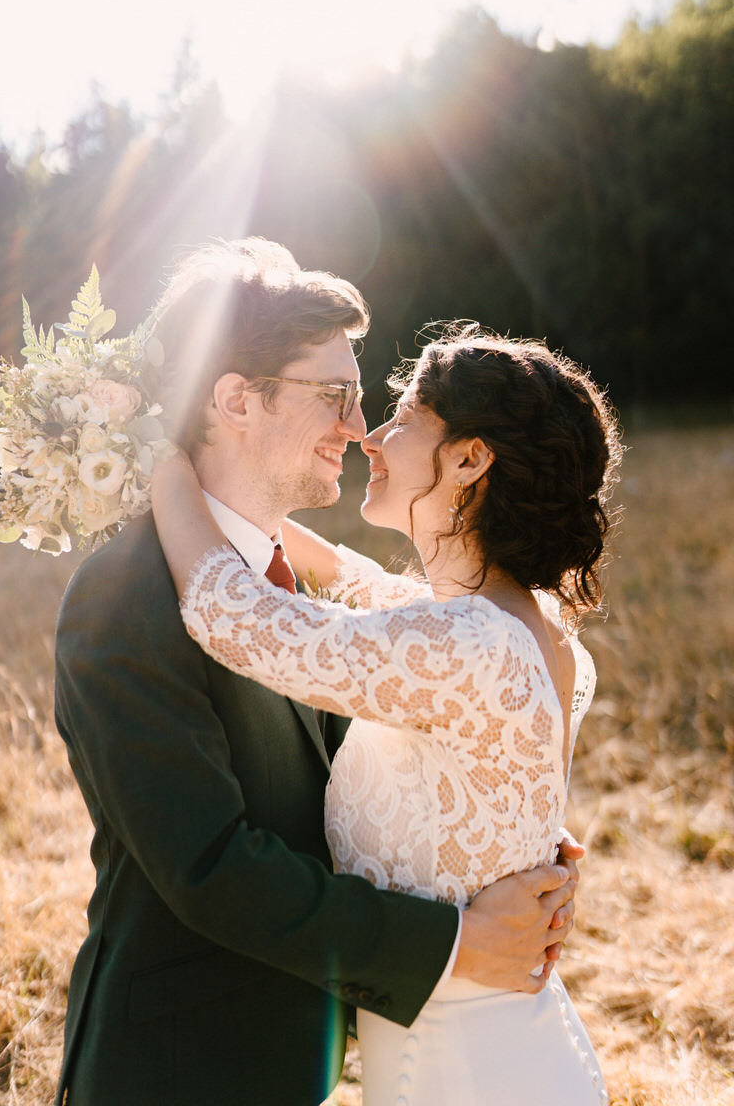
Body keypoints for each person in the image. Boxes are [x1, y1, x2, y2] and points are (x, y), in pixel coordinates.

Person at [54, 239, 580, 1106]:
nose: (358, 425)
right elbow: (210, 867)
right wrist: (458, 939)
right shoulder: (123, 595)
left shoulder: (291, 588)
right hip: (179, 1068)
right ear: (237, 400)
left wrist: (512, 846)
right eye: (336, 395)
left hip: (310, 1058)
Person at [150, 315, 622, 1106]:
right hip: (512, 1053)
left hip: (468, 1078)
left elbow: (236, 617)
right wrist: (234, 492)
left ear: (469, 459)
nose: (370, 438)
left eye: (402, 421)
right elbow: (356, 579)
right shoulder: (527, 626)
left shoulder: (470, 644)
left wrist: (159, 461)